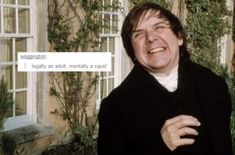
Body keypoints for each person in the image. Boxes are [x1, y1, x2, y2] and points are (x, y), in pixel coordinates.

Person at [98, 2, 233, 155]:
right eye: (138, 34)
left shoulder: (213, 85)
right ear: (133, 52)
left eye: (159, 27)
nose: (150, 38)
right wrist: (158, 145)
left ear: (179, 36)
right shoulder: (115, 108)